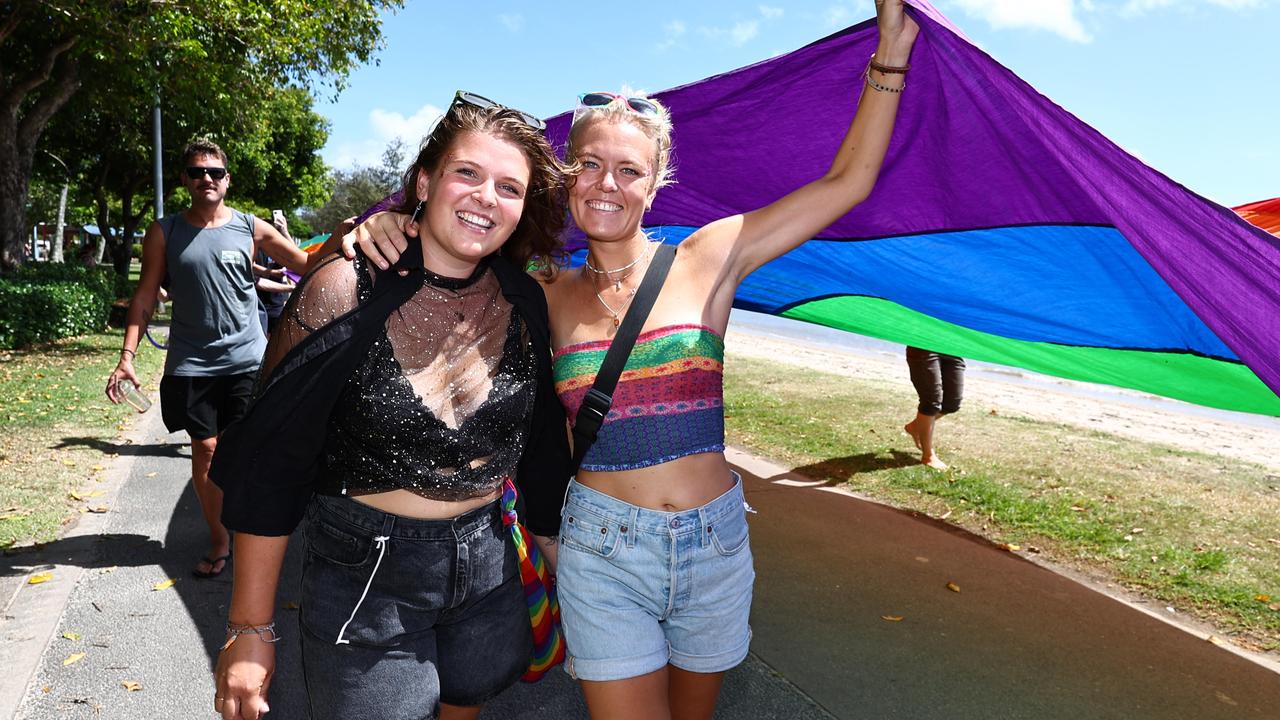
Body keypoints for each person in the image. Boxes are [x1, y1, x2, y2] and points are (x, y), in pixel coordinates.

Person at [352, 3, 917, 716]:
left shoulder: (711, 256)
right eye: (588, 164)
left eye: (629, 170)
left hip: (715, 544)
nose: (607, 184)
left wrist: (889, 57)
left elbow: (847, 184)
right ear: (567, 176)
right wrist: (394, 219)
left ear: (654, 184)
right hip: (602, 552)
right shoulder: (540, 291)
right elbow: (454, 237)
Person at [210, 94, 573, 720]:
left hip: (489, 571)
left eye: (509, 187)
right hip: (365, 579)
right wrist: (249, 627)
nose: (487, 196)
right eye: (468, 173)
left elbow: (540, 450)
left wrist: (562, 564)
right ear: (426, 181)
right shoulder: (342, 289)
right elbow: (270, 464)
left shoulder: (525, 302)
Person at [105, 139, 316, 580]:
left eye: (215, 172)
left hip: (247, 359)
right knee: (205, 449)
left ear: (227, 179)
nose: (207, 179)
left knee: (248, 449)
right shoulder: (164, 232)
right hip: (192, 362)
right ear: (184, 179)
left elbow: (305, 265)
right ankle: (220, 539)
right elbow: (146, 293)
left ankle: (253, 529)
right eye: (198, 171)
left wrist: (348, 238)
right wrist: (128, 356)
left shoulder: (250, 228)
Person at [902, 346, 965, 470]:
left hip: (953, 347)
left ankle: (915, 427)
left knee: (952, 404)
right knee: (931, 402)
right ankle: (928, 456)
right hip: (924, 345)